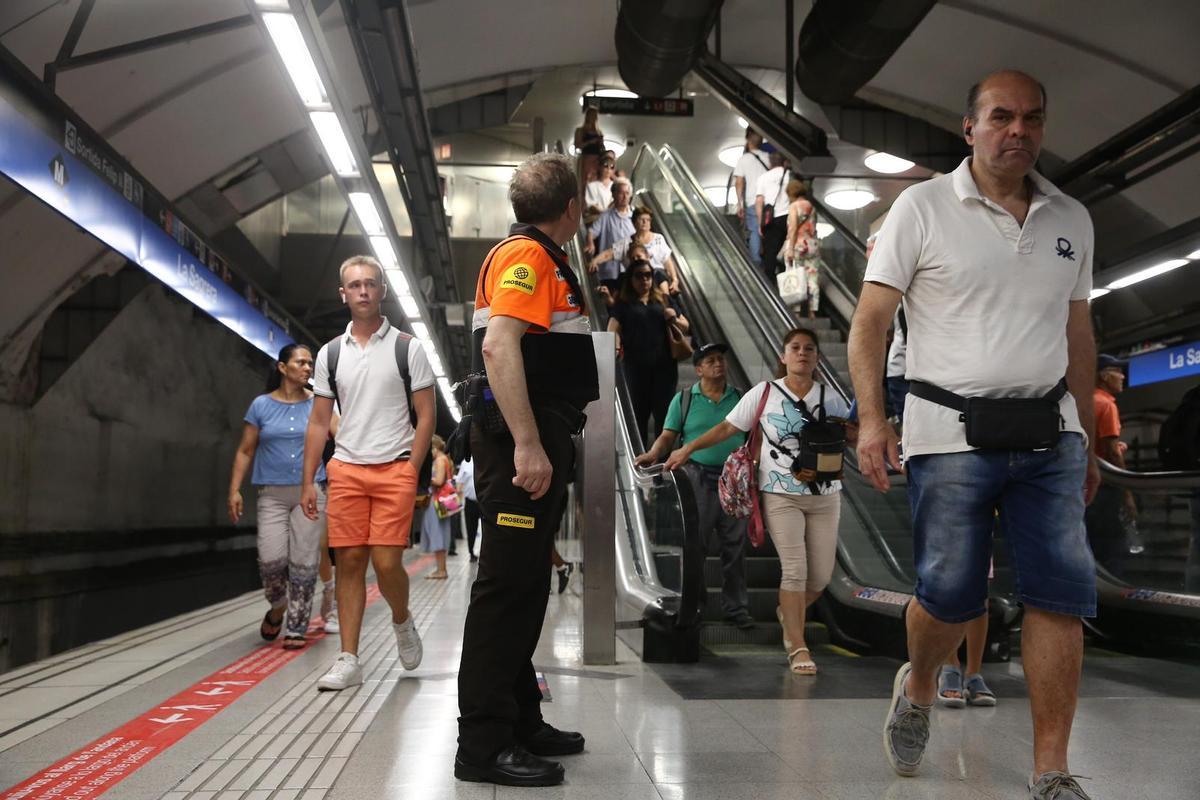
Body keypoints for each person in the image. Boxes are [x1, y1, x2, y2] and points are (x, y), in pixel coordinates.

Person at [847, 70, 1099, 799]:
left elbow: (1079, 333)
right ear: (969, 127)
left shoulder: (1071, 218)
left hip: (1051, 435)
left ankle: (1050, 770)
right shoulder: (921, 209)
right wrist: (872, 418)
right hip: (948, 431)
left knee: (1061, 595)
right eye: (1000, 117)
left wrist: (1084, 432)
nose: (1017, 130)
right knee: (951, 594)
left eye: (1032, 118)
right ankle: (921, 684)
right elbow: (869, 322)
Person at [455, 152, 599, 787]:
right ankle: (482, 746)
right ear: (571, 208)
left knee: (526, 584)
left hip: (539, 431)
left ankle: (519, 719)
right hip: (521, 441)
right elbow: (498, 343)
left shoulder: (539, 255)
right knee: (506, 590)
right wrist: (527, 444)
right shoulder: (527, 257)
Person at [665, 329, 853, 672]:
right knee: (794, 571)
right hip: (780, 493)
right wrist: (688, 447)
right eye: (795, 348)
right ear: (783, 356)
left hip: (826, 495)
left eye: (809, 348)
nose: (802, 353)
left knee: (821, 578)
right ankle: (797, 647)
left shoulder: (832, 397)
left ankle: (788, 611)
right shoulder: (765, 393)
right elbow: (726, 428)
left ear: (817, 357)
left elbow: (852, 432)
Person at [300, 254, 436, 691]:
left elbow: (426, 415)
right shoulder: (330, 353)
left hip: (394, 466)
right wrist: (308, 480)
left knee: (386, 561)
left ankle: (401, 619)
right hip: (347, 471)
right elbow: (320, 421)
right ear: (343, 294)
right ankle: (349, 659)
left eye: (370, 284)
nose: (362, 291)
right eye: (354, 285)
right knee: (351, 563)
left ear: (382, 291)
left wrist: (412, 467)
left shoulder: (406, 347)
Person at [637, 343, 753, 629]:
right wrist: (654, 453)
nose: (718, 364)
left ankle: (736, 608)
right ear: (698, 369)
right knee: (694, 547)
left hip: (734, 482)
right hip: (697, 478)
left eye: (721, 360)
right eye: (710, 360)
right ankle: (695, 606)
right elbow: (668, 435)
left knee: (735, 548)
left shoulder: (741, 398)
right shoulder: (684, 399)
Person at [228, 343, 327, 650]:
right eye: (301, 362)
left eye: (311, 363)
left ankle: (296, 627)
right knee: (271, 561)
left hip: (310, 492)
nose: (308, 368)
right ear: (283, 368)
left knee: (304, 561)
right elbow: (246, 450)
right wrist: (234, 489)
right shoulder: (260, 405)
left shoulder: (319, 405)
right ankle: (278, 605)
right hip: (271, 493)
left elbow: (345, 433)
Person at [607, 259, 690, 446]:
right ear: (631, 279)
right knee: (638, 415)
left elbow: (686, 325)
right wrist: (615, 347)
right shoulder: (624, 304)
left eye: (648, 275)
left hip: (665, 367)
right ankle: (640, 459)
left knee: (664, 415)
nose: (644, 280)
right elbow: (612, 328)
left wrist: (673, 318)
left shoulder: (663, 299)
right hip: (636, 368)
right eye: (639, 275)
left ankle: (662, 464)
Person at [1085, 354, 1137, 568]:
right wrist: (1128, 494)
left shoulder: (1084, 403)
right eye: (1118, 371)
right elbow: (1112, 454)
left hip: (1084, 488)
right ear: (1104, 376)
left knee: (1091, 547)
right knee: (1112, 552)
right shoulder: (1107, 405)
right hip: (1105, 489)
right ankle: (1112, 600)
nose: (1123, 376)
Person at [590, 207, 681, 295]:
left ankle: (666, 303)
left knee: (658, 273)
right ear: (634, 223)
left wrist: (674, 279)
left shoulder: (658, 239)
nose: (645, 222)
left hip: (657, 280)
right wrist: (595, 261)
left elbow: (667, 261)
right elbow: (608, 254)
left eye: (648, 220)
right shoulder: (627, 242)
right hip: (637, 282)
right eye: (641, 219)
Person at [585, 178, 634, 293]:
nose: (624, 196)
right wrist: (590, 242)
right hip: (610, 270)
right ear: (614, 194)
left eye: (627, 193)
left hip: (630, 269)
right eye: (621, 193)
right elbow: (592, 231)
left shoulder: (635, 215)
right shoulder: (605, 216)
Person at [783, 179, 823, 319]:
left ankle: (797, 312)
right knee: (812, 278)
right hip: (812, 246)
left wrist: (790, 248)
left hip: (798, 245)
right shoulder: (811, 206)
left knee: (795, 277)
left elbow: (793, 228)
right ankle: (813, 310)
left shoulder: (794, 206)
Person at [733, 128, 769, 265]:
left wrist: (739, 204)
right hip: (769, 202)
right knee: (767, 230)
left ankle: (756, 262)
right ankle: (769, 258)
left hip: (753, 201)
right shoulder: (768, 157)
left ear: (748, 140)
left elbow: (739, 182)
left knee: (754, 229)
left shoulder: (744, 159)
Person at [420, 435, 455, 579]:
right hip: (439, 502)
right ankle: (441, 569)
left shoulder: (440, 460)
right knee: (438, 532)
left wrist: (424, 478)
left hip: (436, 502)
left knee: (437, 533)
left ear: (433, 448)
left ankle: (441, 570)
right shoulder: (443, 459)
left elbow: (439, 480)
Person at [755, 151, 791, 279]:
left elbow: (759, 201)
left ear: (770, 162)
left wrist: (760, 222)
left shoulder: (763, 177)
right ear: (783, 161)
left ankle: (770, 282)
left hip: (772, 219)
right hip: (789, 217)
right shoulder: (790, 175)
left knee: (771, 251)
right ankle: (788, 278)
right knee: (788, 249)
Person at [455, 457, 481, 563]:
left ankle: (485, 553)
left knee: (488, 529)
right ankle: (471, 553)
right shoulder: (466, 462)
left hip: (486, 502)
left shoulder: (489, 456)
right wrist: (457, 500)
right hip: (471, 501)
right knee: (471, 528)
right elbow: (460, 481)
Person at [573, 106, 605, 189]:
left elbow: (602, 147)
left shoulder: (599, 131)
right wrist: (590, 142)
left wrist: (601, 143)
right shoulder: (580, 130)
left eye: (595, 116)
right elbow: (577, 145)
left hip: (597, 159)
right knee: (585, 182)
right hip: (586, 158)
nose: (594, 118)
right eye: (592, 115)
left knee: (596, 182)